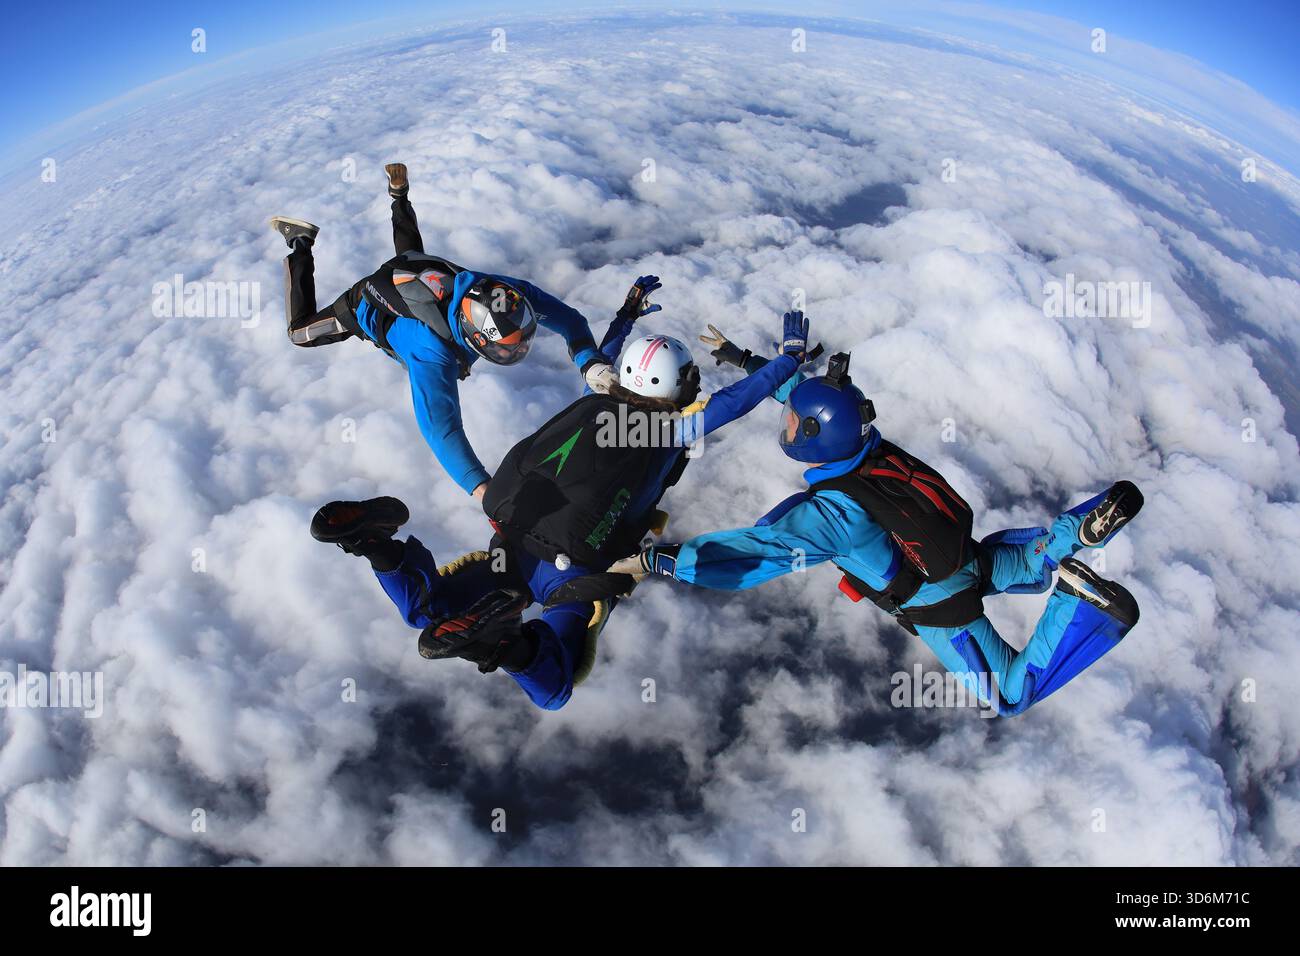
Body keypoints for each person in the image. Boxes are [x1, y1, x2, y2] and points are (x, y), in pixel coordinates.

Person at [612, 332, 1145, 717]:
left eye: (796, 426)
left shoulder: (832, 517)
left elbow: (754, 554)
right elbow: (815, 399)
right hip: (966, 556)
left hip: (941, 606)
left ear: (817, 437)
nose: (788, 427)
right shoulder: (867, 441)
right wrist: (747, 360)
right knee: (1029, 564)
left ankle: (1079, 600)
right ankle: (1082, 529)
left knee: (1009, 694)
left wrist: (662, 559)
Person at [309, 307, 817, 710]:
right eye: (688, 379)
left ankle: (375, 546)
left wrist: (626, 317)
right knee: (553, 688)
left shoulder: (597, 397)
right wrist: (790, 359)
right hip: (568, 571)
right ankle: (502, 644)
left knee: (426, 611)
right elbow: (736, 401)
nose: (696, 386)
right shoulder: (665, 432)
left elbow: (604, 357)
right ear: (674, 387)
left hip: (510, 544)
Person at [269, 162, 615, 499]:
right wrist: (482, 489)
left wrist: (590, 362)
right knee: (299, 334)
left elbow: (569, 320)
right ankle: (301, 243)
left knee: (411, 254)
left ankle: (399, 194)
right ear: (473, 339)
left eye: (519, 341)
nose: (517, 351)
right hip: (364, 307)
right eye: (506, 350)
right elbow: (440, 429)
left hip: (420, 277)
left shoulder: (508, 293)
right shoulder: (431, 352)